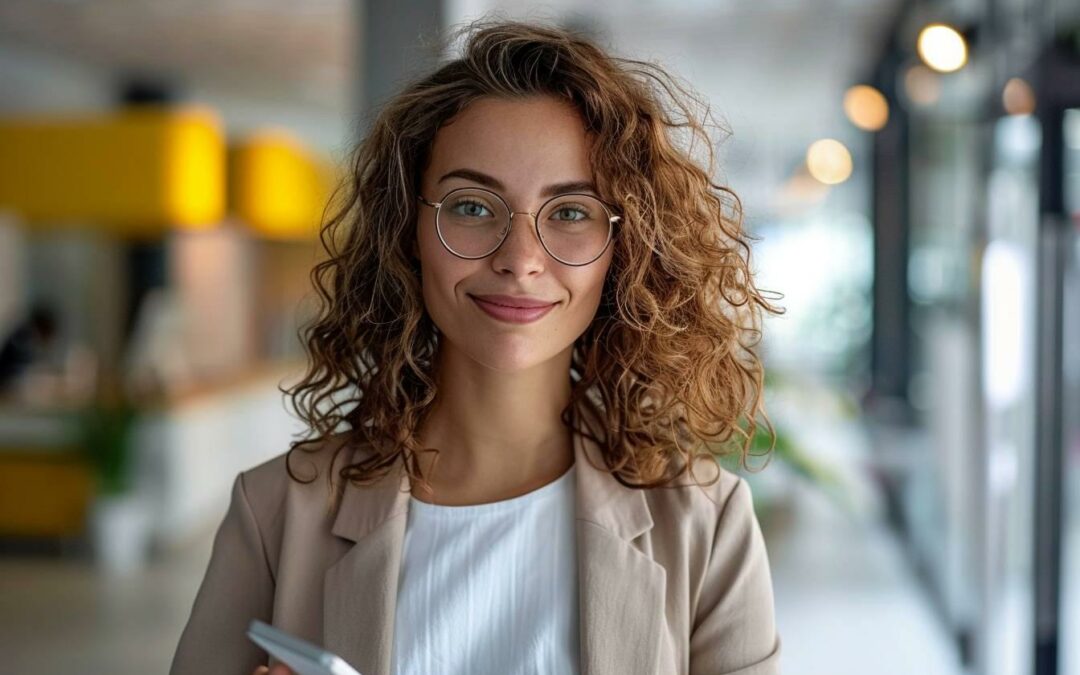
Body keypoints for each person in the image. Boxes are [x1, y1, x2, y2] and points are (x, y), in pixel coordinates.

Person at [170, 18, 785, 675]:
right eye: (471, 206)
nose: (520, 259)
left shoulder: (707, 521)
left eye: (571, 212)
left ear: (624, 250)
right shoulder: (276, 514)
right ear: (408, 230)